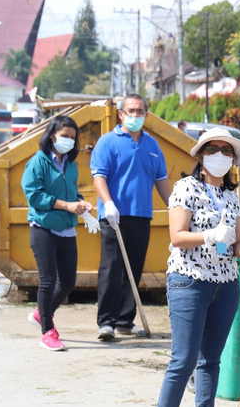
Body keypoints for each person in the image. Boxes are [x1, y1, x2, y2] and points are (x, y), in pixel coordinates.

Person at [143, 127, 240, 407]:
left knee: (211, 359)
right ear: (201, 156)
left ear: (233, 160)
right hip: (189, 280)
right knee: (183, 359)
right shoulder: (186, 189)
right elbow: (177, 236)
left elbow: (235, 243)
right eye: (214, 149)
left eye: (226, 151)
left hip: (225, 284)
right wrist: (210, 235)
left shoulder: (231, 197)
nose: (220, 156)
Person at [91, 94, 172, 341]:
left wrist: (177, 208)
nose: (136, 116)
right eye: (131, 111)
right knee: (112, 268)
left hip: (141, 214)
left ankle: (125, 320)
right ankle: (106, 322)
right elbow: (99, 177)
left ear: (146, 114)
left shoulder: (152, 145)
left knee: (133, 269)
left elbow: (162, 181)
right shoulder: (108, 142)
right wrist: (108, 203)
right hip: (114, 216)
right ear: (121, 114)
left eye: (140, 111)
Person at [21, 116, 96, 352]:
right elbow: (34, 196)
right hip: (43, 227)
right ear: (52, 135)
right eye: (65, 136)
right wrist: (66, 205)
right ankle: (48, 331)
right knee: (47, 281)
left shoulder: (71, 165)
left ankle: (41, 313)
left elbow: (72, 193)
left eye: (73, 138)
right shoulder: (38, 162)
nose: (69, 141)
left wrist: (82, 206)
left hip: (66, 228)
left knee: (67, 282)